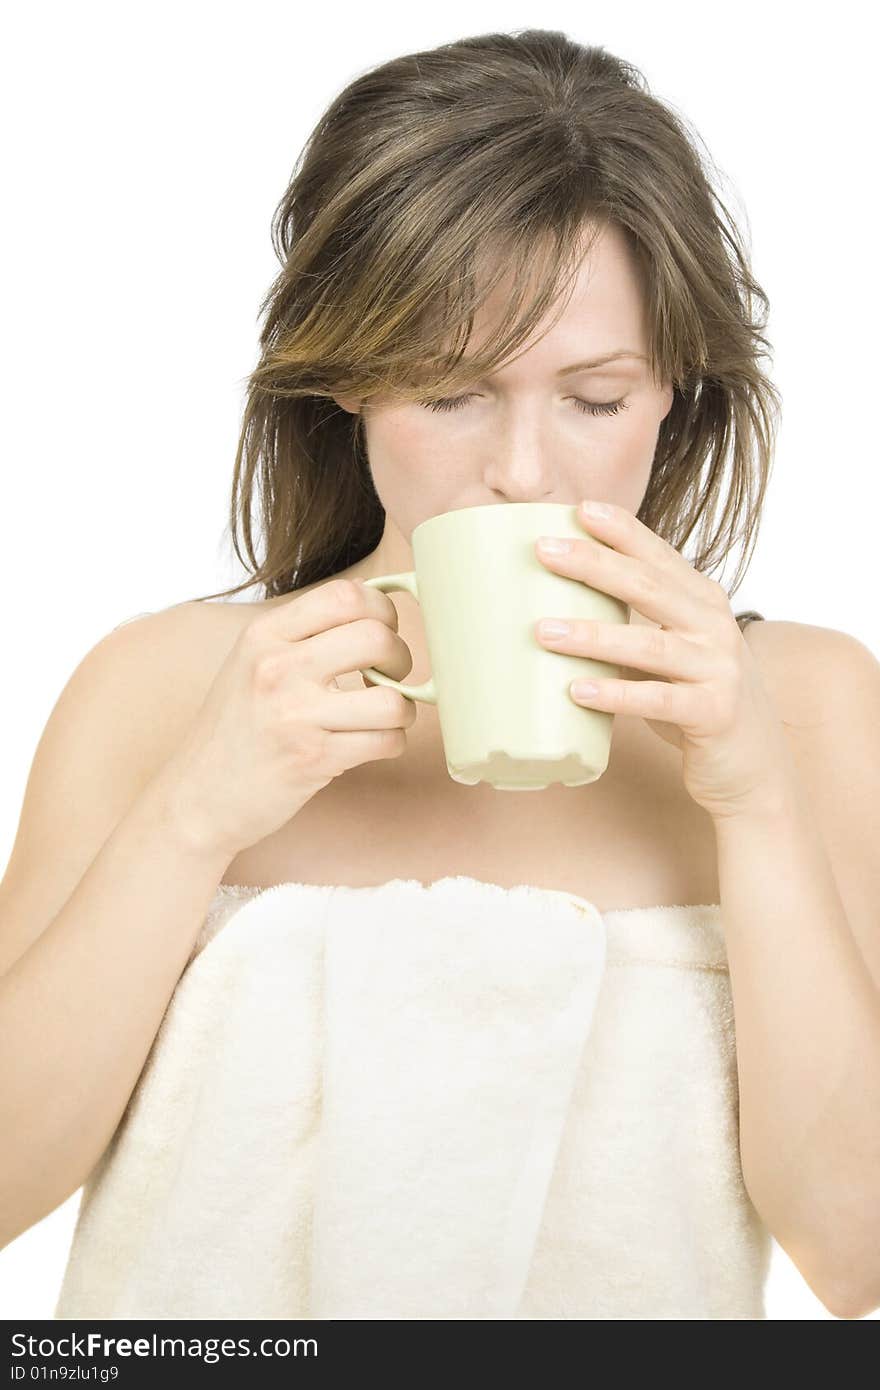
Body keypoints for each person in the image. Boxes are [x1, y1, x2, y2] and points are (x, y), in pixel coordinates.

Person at [2, 29, 878, 1322]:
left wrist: (755, 800)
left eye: (593, 396)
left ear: (676, 390)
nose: (524, 470)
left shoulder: (804, 706)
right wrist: (194, 814)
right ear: (351, 378)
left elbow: (857, 1258)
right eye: (453, 392)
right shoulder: (156, 689)